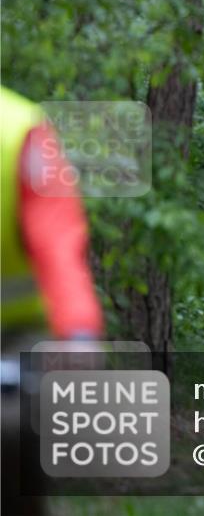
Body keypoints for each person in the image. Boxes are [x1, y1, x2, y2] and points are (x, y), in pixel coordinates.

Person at [1, 85, 104, 516]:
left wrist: (78, 334)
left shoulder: (18, 127)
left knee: (11, 432)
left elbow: (57, 242)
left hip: (13, 332)